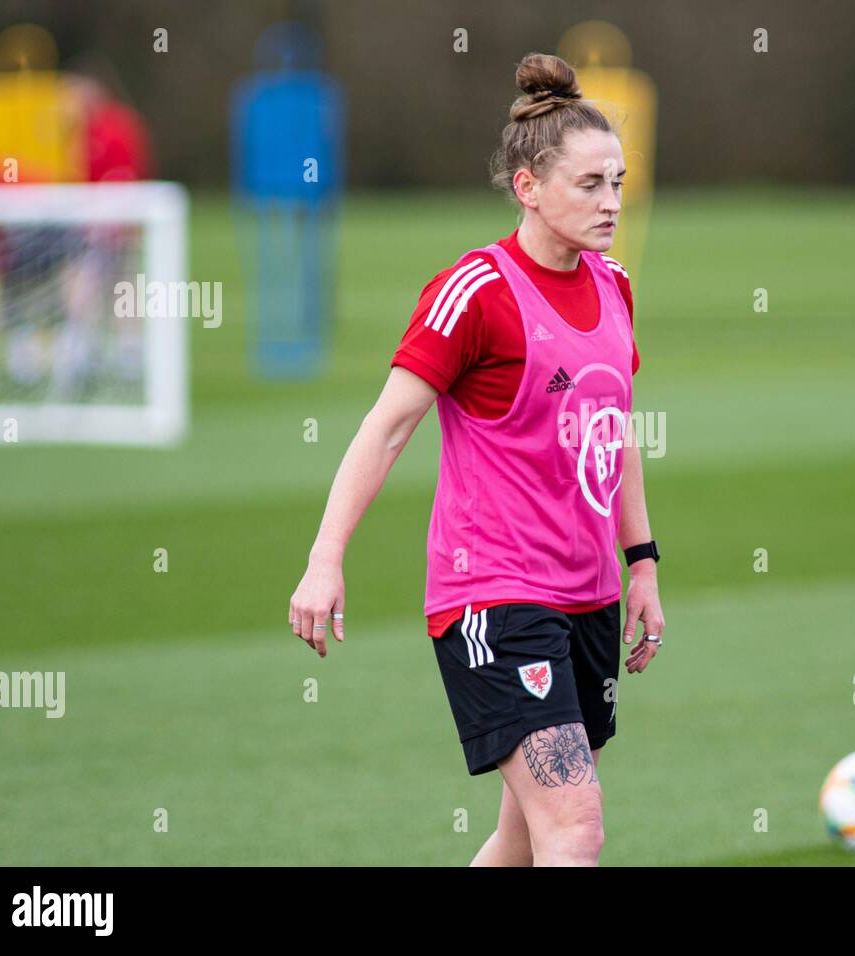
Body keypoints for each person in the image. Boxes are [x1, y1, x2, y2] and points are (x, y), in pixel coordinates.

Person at [288, 52, 665, 867]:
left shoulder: (616, 284)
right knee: (576, 826)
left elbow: (616, 428)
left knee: (521, 840)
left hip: (589, 596)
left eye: (618, 182)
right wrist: (325, 559)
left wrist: (642, 563)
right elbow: (387, 427)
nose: (611, 202)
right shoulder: (476, 291)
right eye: (590, 184)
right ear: (528, 186)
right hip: (493, 596)